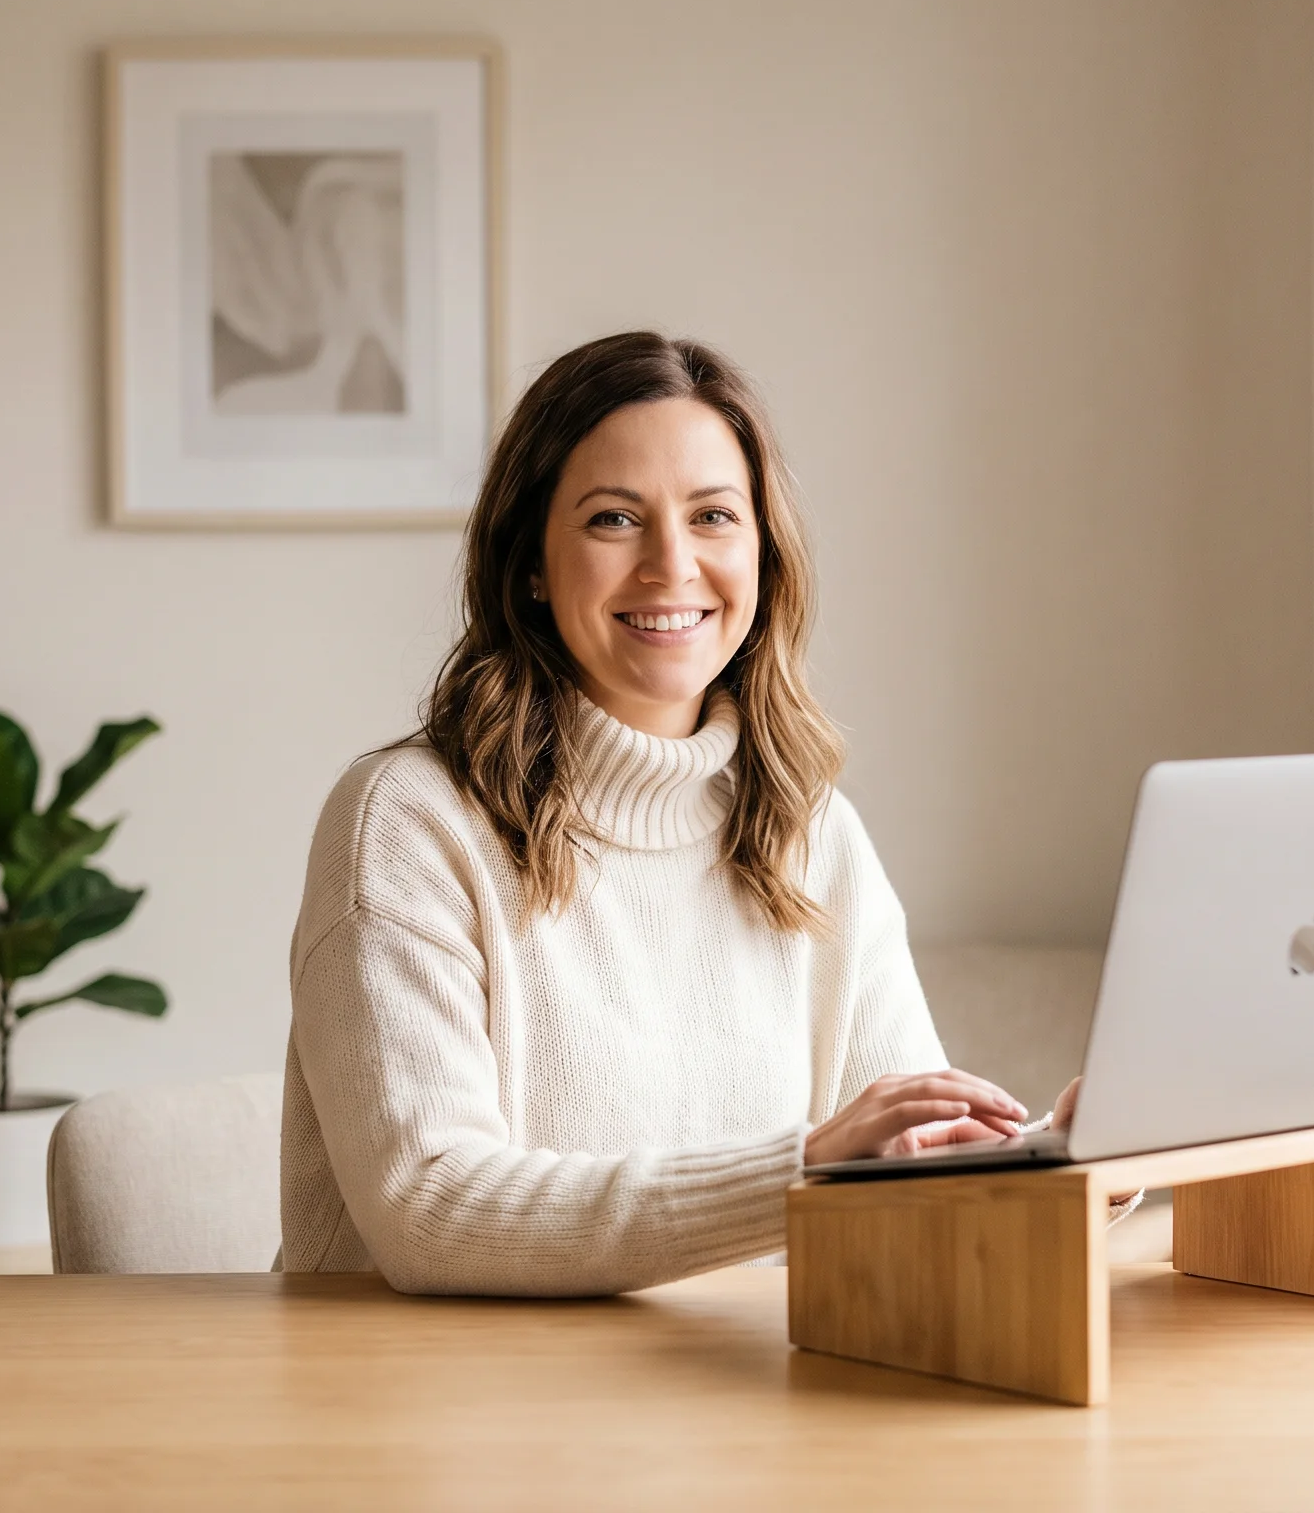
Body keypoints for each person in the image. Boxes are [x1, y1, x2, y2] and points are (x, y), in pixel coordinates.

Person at [279, 331, 1088, 1296]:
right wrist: (800, 1170)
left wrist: (1065, 1163)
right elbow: (431, 1209)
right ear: (531, 563)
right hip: (431, 1416)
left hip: (731, 1404)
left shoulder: (811, 832)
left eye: (713, 516)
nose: (672, 564)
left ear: (762, 553)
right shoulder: (406, 824)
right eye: (615, 519)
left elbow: (905, 1169)